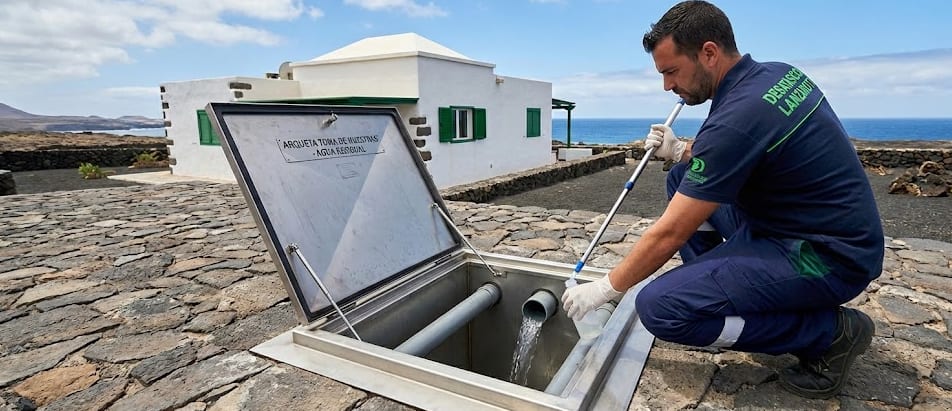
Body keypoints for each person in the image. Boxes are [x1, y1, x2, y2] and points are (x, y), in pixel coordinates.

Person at [561, 0, 884, 400]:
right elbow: (737, 151)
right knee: (681, 175)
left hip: (824, 258)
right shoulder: (777, 75)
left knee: (662, 309)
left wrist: (606, 288)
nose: (667, 86)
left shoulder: (736, 117)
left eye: (671, 71)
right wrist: (680, 151)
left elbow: (671, 232)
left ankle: (828, 334)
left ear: (709, 53)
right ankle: (725, 293)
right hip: (813, 228)